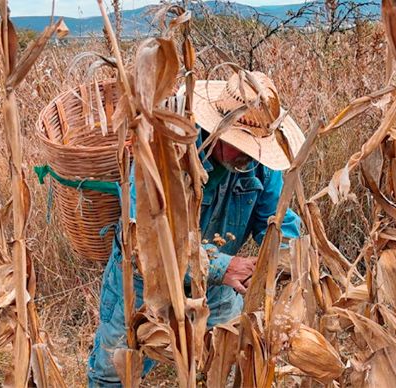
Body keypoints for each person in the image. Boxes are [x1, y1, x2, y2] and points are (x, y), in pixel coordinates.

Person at [88, 71, 305, 386]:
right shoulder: (164, 154)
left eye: (256, 148)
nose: (248, 155)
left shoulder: (257, 164)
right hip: (144, 285)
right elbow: (146, 241)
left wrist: (287, 262)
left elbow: (276, 220)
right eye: (239, 145)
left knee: (228, 362)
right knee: (115, 372)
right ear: (216, 130)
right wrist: (219, 265)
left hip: (215, 291)